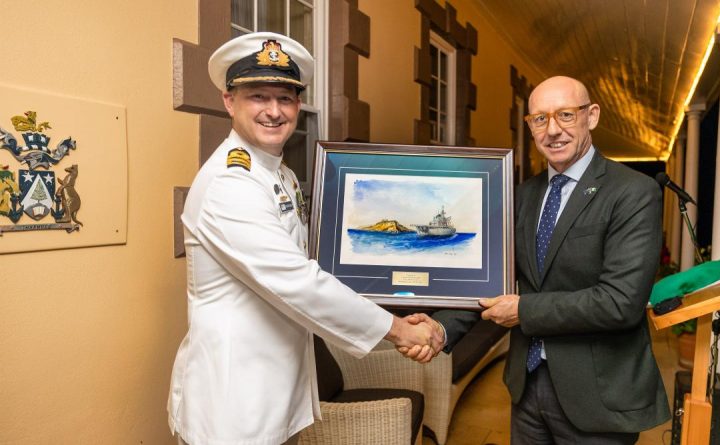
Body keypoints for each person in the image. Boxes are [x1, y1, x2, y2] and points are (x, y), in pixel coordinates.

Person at [167, 32, 443, 445]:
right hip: (235, 405)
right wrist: (400, 330)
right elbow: (298, 281)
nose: (275, 111)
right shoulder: (230, 182)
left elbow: (320, 264)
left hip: (276, 392)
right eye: (258, 96)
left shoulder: (280, 175)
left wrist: (408, 296)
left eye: (286, 98)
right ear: (229, 101)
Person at [408, 76, 670, 444]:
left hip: (597, 395)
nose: (553, 130)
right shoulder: (523, 195)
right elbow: (492, 280)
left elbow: (620, 302)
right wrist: (440, 329)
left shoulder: (633, 192)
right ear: (530, 126)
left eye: (565, 114)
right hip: (527, 386)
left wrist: (524, 311)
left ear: (591, 116)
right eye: (540, 119)